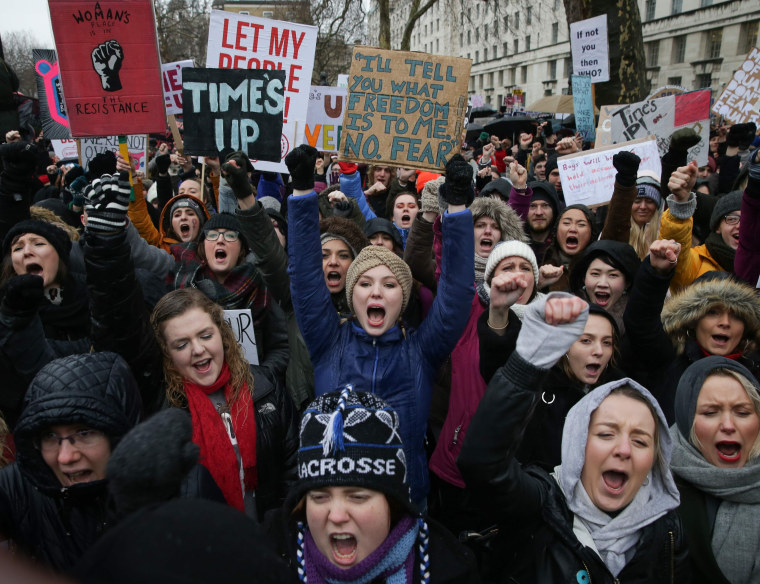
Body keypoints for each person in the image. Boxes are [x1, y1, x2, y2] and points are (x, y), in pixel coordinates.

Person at [287, 145, 474, 509]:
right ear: (352, 295)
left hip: (405, 503)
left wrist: (457, 208)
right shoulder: (328, 343)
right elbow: (305, 278)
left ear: (402, 300)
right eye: (365, 283)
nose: (376, 291)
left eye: (389, 285)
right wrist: (301, 191)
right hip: (334, 505)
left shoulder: (421, 351)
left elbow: (455, 294)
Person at [459, 294, 687, 583]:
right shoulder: (544, 505)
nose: (624, 449)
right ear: (578, 441)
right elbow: (482, 464)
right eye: (606, 434)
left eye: (641, 441)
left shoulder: (668, 532)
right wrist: (527, 363)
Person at [278, 388, 478, 584]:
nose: (336, 516)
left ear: (394, 502)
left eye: (357, 497)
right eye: (320, 497)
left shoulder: (451, 570)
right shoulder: (268, 559)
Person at [150, 288, 298, 519]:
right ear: (167, 354)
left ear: (222, 333)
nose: (198, 350)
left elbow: (293, 467)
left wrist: (280, 528)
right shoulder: (165, 412)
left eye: (206, 336)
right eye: (181, 345)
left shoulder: (265, 386)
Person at [0, 352, 142, 572]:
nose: (65, 456)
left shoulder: (181, 488)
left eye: (84, 433)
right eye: (50, 436)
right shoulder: (18, 487)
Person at [623, 238, 760, 423]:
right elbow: (640, 322)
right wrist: (656, 272)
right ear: (693, 320)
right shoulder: (669, 357)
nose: (725, 323)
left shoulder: (755, 369)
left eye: (736, 316)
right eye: (712, 312)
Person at [670, 357, 760, 584]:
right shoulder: (652, 486)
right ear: (686, 419)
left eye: (742, 412)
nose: (728, 425)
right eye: (711, 412)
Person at [0, 220, 90, 427]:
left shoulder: (93, 295)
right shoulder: (7, 312)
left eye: (38, 243)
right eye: (17, 247)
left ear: (59, 254)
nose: (27, 252)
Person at [569, 240, 641, 334]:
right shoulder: (563, 313)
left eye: (613, 275)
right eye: (595, 274)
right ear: (584, 278)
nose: (602, 284)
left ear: (627, 283)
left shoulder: (638, 324)